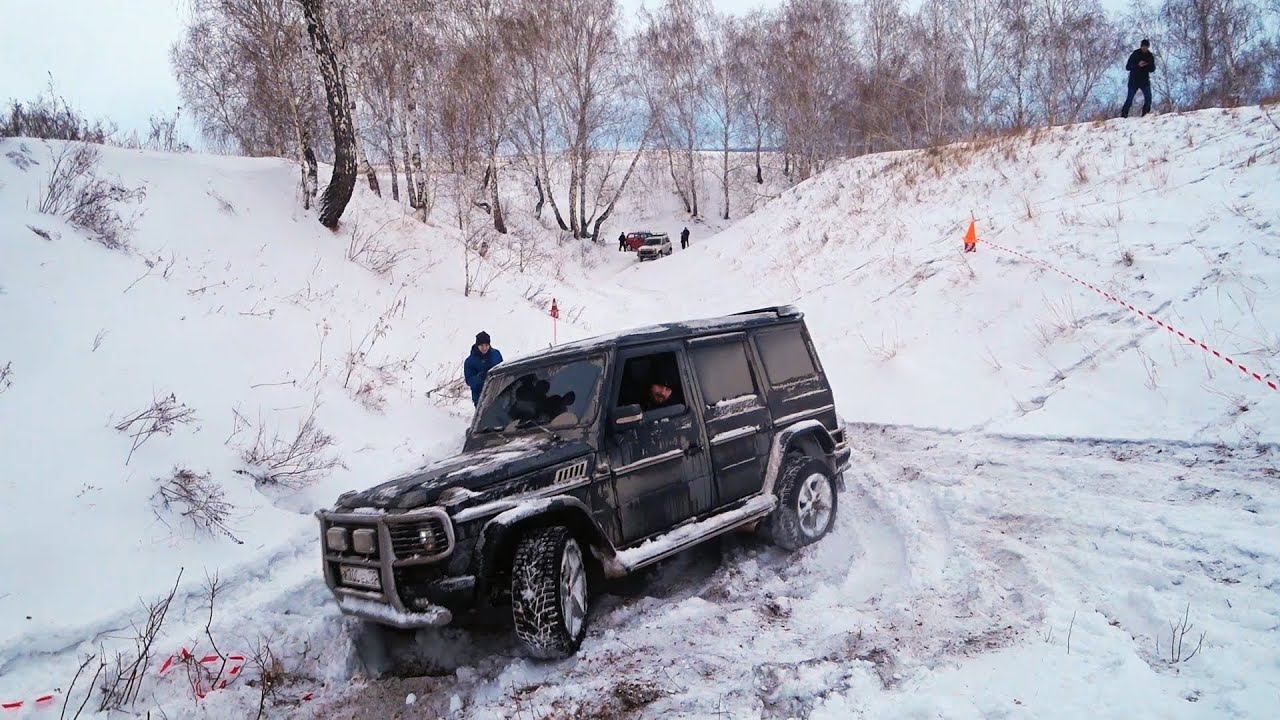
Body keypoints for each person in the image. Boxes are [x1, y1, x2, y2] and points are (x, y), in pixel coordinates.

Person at [463, 331, 503, 407]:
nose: (484, 348)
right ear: (477, 345)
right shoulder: (469, 361)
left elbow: (503, 369)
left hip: (498, 394)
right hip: (480, 398)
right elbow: (469, 380)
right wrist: (481, 377)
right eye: (481, 345)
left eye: (486, 345)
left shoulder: (496, 354)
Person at [1121, 39, 1156, 118]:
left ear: (1148, 47)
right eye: (1143, 46)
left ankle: (1145, 114)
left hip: (1144, 81)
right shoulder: (1135, 54)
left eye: (1146, 47)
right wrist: (1138, 65)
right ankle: (1123, 115)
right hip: (1134, 81)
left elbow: (1152, 69)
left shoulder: (1150, 56)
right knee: (1129, 99)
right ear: (1141, 46)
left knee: (1148, 99)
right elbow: (1128, 67)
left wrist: (1147, 65)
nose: (1144, 48)